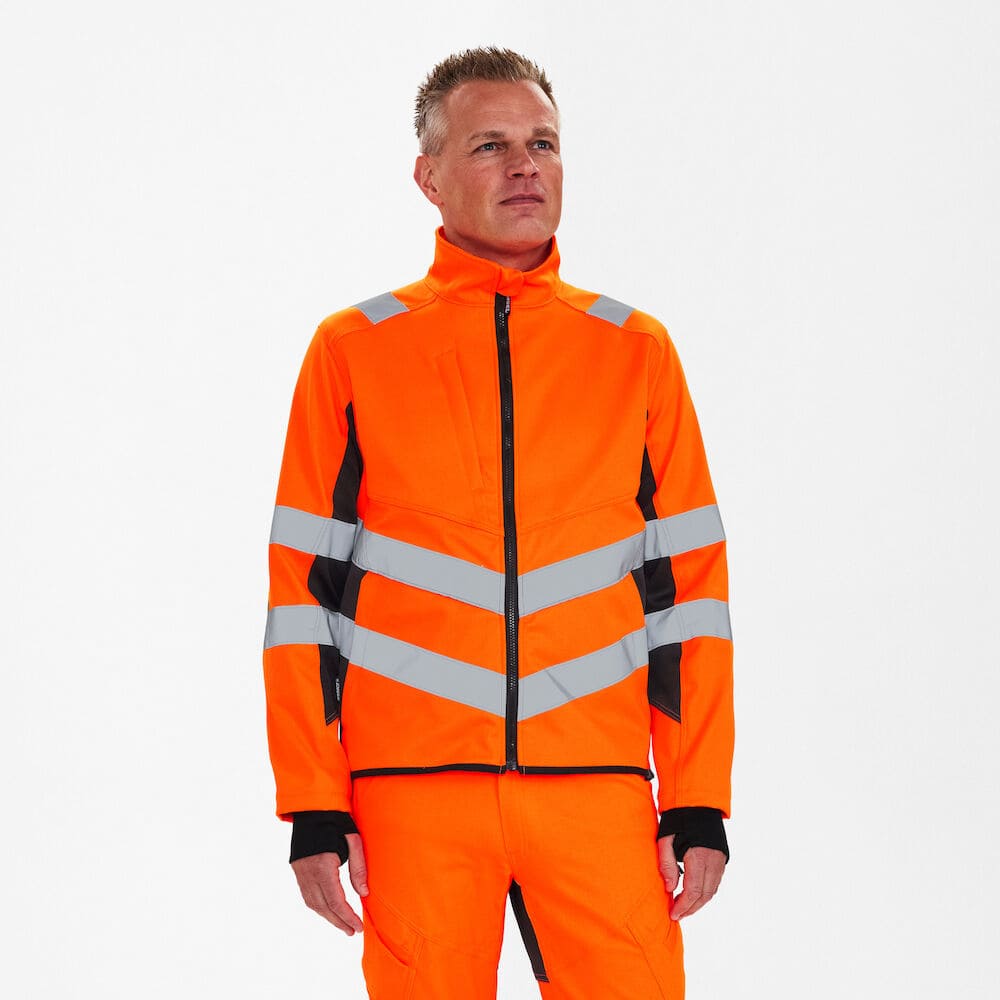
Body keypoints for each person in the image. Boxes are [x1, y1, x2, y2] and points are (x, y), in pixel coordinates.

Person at [263, 47, 734, 999]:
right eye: (491, 145)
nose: (526, 167)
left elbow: (690, 596)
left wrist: (696, 798)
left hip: (596, 786)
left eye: (543, 144)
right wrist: (312, 801)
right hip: (412, 796)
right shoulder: (354, 351)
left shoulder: (635, 351)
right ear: (429, 177)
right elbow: (302, 596)